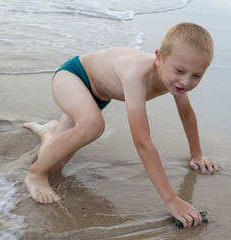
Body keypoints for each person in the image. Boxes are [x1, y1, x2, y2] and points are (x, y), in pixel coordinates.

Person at [23, 22, 220, 228]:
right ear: (159, 57)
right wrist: (171, 200)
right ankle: (34, 175)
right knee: (92, 125)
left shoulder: (175, 80)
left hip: (95, 97)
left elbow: (187, 115)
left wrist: (196, 154)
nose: (186, 82)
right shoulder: (137, 75)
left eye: (196, 75)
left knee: (54, 167)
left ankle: (48, 132)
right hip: (73, 77)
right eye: (180, 71)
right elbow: (142, 142)